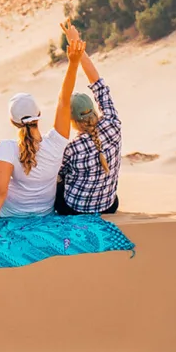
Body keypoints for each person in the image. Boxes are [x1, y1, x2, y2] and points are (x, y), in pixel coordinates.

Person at [0, 22, 87, 231]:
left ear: (13, 121)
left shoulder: (8, 149)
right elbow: (64, 100)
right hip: (44, 213)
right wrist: (73, 62)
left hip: (11, 215)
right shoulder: (56, 142)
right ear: (39, 115)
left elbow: (0, 191)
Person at [56, 30, 122, 215]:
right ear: (94, 109)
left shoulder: (72, 147)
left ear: (72, 120)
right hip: (108, 205)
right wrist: (77, 43)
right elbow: (98, 83)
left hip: (75, 208)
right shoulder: (113, 124)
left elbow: (59, 175)